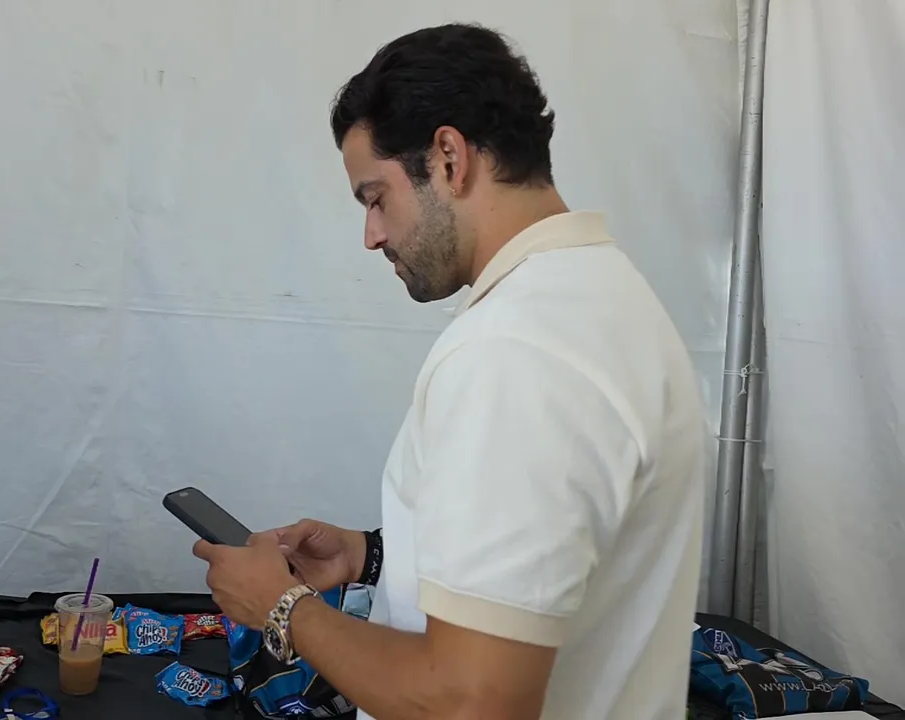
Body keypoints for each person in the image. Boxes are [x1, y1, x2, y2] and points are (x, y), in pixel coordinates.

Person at [192, 22, 705, 720]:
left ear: (448, 158)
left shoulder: (515, 351)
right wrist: (376, 556)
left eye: (376, 198)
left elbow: (473, 701)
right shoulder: (606, 297)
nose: (371, 235)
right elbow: (563, 561)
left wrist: (282, 607)